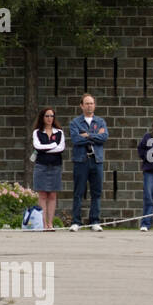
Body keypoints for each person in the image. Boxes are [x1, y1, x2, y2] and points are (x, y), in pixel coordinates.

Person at [69, 93, 108, 231]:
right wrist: (94, 137)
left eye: (91, 103)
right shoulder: (75, 122)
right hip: (81, 160)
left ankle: (95, 221)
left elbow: (103, 137)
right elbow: (76, 139)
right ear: (81, 105)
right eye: (86, 103)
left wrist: (88, 135)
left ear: (95, 105)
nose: (89, 106)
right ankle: (76, 221)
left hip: (96, 160)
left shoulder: (101, 122)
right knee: (78, 191)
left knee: (96, 192)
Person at [31, 108, 65, 230]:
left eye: (51, 116)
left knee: (52, 195)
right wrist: (52, 145)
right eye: (47, 116)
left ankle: (50, 223)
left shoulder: (59, 132)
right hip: (41, 166)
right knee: (42, 195)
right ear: (42, 117)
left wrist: (45, 148)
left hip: (55, 166)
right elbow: (37, 146)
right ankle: (43, 224)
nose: (49, 118)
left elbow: (61, 148)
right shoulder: (37, 132)